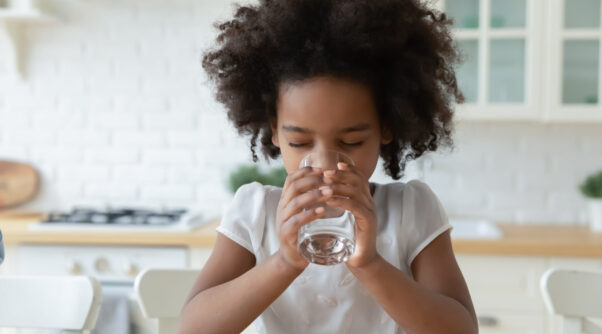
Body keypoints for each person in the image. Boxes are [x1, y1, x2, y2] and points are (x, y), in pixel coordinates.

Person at [180, 0, 477, 333]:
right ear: (275, 130)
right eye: (300, 143)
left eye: (351, 143)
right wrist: (284, 261)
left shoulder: (413, 210)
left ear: (386, 127)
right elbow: (193, 328)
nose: (325, 165)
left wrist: (369, 263)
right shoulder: (255, 212)